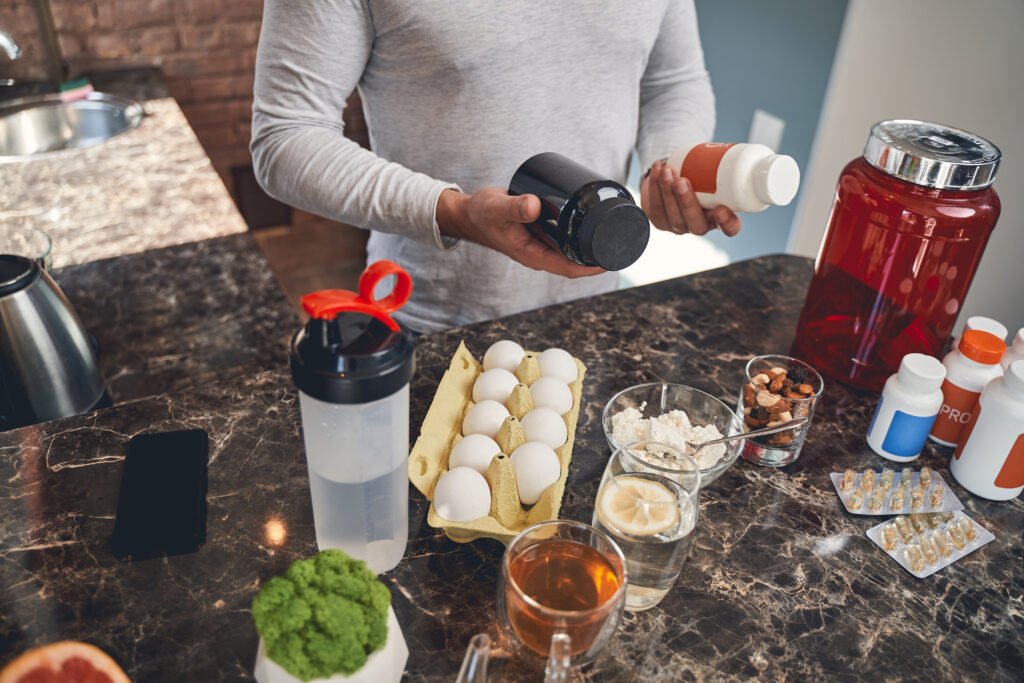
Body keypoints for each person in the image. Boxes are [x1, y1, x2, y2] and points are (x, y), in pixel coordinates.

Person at [252, 1, 741, 333]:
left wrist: (669, 167)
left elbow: (671, 81)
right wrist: (455, 213)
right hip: (430, 317)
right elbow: (287, 136)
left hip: (596, 302)